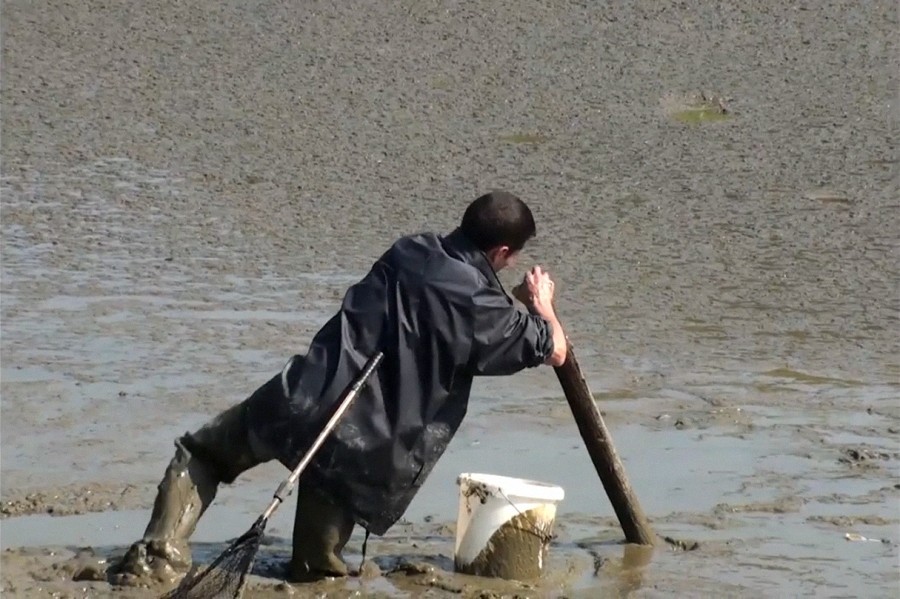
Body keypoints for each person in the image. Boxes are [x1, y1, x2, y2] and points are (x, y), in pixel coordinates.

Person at [112, 190, 568, 585]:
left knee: (202, 455)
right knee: (316, 571)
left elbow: (437, 300)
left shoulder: (409, 250)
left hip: (301, 398)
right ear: (503, 253)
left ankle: (158, 556)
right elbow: (556, 350)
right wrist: (541, 304)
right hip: (360, 450)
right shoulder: (486, 308)